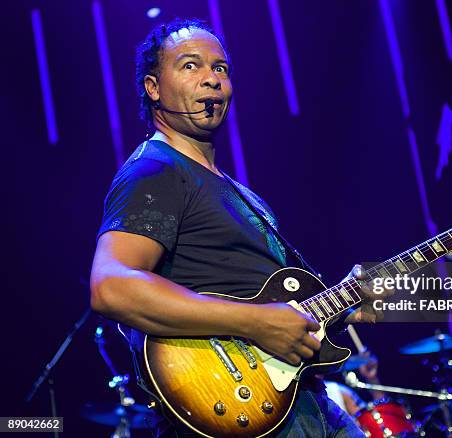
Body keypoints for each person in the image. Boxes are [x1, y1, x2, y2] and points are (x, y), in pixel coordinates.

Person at [90, 18, 387, 437]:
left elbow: (277, 307)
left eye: (221, 68)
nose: (211, 79)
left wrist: (346, 303)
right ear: (153, 88)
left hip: (298, 399)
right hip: (233, 403)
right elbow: (111, 286)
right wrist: (256, 322)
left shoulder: (240, 194)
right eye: (190, 66)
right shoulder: (155, 170)